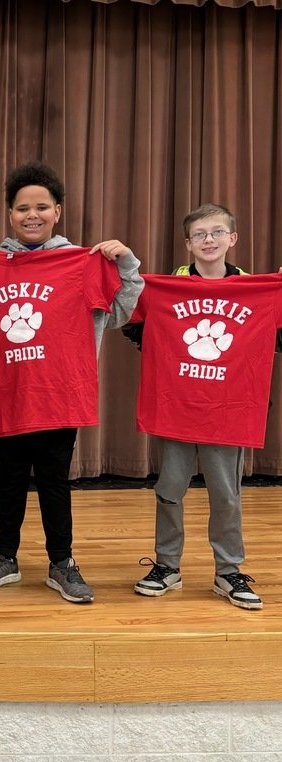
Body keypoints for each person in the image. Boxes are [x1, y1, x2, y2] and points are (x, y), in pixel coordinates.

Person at [0, 161, 143, 603]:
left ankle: (61, 562)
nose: (32, 215)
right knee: (8, 478)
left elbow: (121, 312)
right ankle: (4, 557)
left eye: (41, 207)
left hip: (58, 393)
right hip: (6, 390)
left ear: (57, 211)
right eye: (23, 208)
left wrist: (126, 263)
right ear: (10, 214)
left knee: (54, 479)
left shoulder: (81, 262)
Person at [127, 203, 269, 610]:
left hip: (228, 409)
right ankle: (167, 565)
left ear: (232, 239)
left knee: (226, 494)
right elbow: (138, 328)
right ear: (188, 243)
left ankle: (228, 571)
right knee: (170, 489)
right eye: (200, 234)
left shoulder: (252, 287)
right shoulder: (168, 287)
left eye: (217, 232)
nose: (209, 240)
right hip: (178, 407)